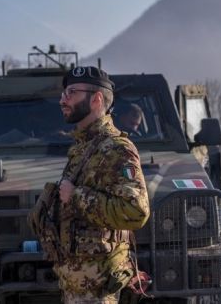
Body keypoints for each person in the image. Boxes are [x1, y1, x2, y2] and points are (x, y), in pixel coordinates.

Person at [30, 66, 150, 304]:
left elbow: (136, 211)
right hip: (77, 284)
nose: (63, 100)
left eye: (71, 92)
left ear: (96, 99)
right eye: (64, 93)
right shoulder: (84, 146)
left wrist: (77, 196)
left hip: (97, 288)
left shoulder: (116, 148)